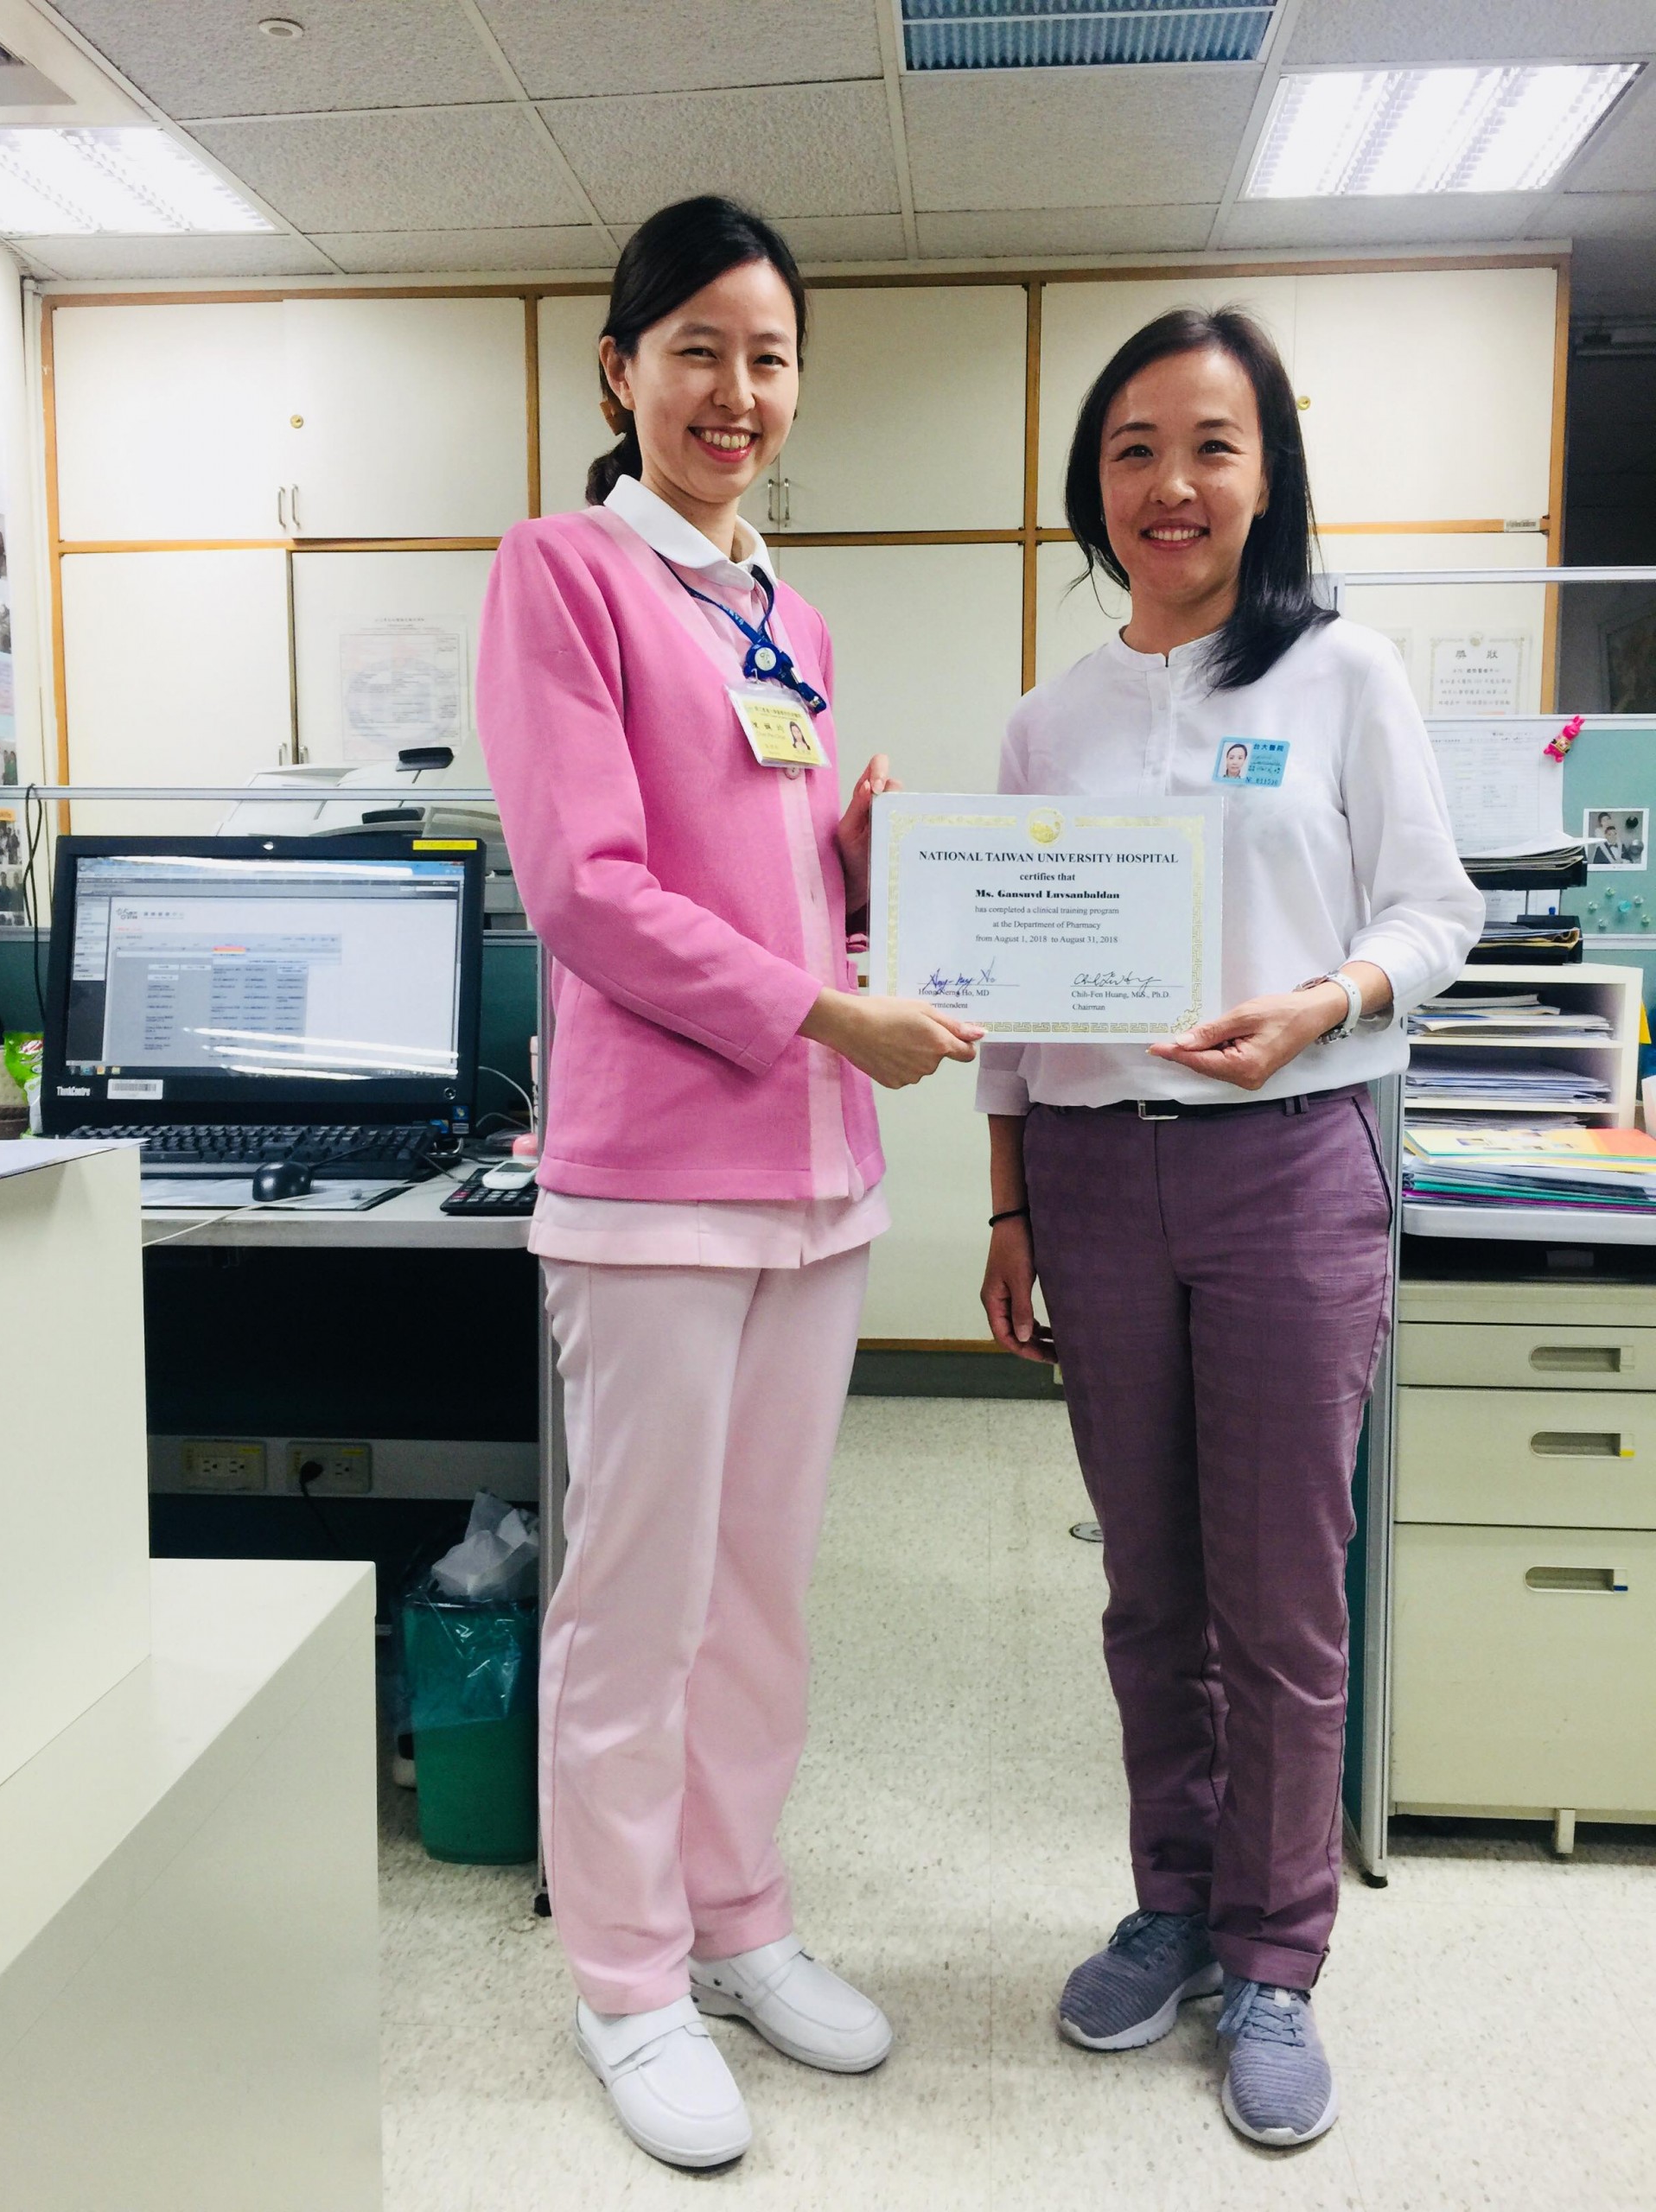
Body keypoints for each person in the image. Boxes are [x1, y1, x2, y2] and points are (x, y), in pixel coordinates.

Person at [476, 196, 982, 2171]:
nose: (737, 391)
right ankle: (625, 1974)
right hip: (656, 1183)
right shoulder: (565, 573)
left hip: (815, 1176)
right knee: (638, 1598)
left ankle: (738, 1913)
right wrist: (828, 1007)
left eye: (770, 356)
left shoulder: (790, 617)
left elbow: (753, 881)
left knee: (762, 1588)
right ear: (621, 369)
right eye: (697, 347)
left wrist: (855, 869)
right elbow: (590, 893)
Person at [977, 307, 1481, 2149]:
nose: (1171, 484)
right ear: (1092, 485)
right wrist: (1009, 1198)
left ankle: (1275, 1955)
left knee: (1279, 1592)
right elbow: (1012, 985)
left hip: (1290, 1164)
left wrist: (1326, 999)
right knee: (1151, 1587)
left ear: (1268, 476)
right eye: (1134, 449)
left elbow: (1436, 912)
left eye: (1212, 445)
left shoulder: (1344, 672)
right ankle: (1173, 1905)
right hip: (1094, 1175)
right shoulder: (1049, 719)